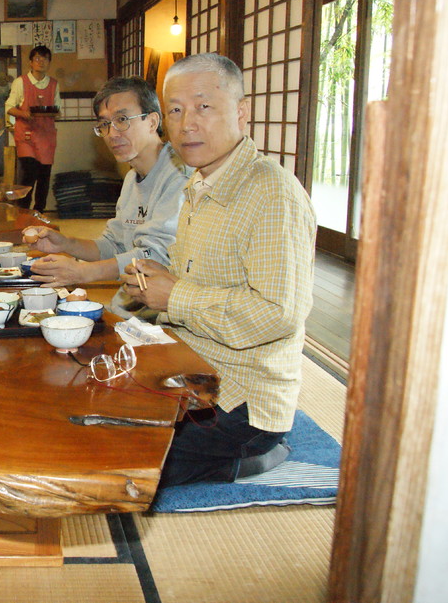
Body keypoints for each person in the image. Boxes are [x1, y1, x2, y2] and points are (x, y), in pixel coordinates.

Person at [123, 53, 317, 486]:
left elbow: (280, 313)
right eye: (175, 109)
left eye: (204, 106)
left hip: (241, 400)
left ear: (241, 112)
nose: (187, 122)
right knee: (87, 408)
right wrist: (155, 283)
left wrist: (175, 295)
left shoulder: (272, 192)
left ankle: (252, 460)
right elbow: (198, 282)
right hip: (191, 369)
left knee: (119, 459)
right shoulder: (199, 181)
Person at [27, 76, 190, 318]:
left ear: (152, 121)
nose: (111, 133)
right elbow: (113, 245)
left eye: (122, 120)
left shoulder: (179, 175)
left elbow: (156, 255)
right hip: (128, 310)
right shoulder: (131, 179)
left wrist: (82, 273)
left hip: (163, 319)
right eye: (104, 124)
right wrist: (65, 243)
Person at [6, 45, 62, 212]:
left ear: (49, 62)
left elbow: (58, 111)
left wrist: (52, 113)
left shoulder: (53, 84)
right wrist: (23, 113)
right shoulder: (20, 82)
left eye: (45, 59)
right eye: (37, 58)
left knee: (44, 177)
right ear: (30, 62)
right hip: (27, 136)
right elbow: (9, 107)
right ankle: (22, 213)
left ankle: (39, 213)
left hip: (46, 137)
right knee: (27, 177)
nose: (41, 62)